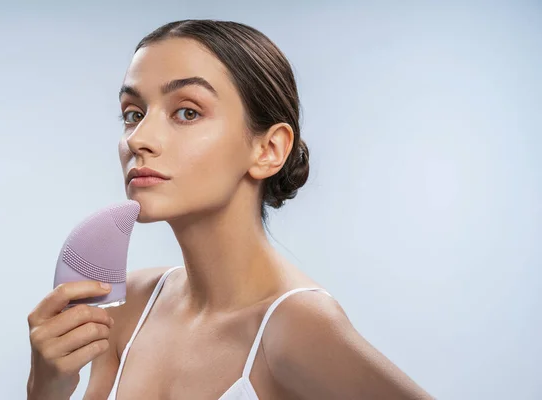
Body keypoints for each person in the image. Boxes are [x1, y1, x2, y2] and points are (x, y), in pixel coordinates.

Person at [27, 19, 433, 400]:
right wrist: (45, 388)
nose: (139, 139)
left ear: (268, 149)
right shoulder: (127, 306)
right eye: (133, 114)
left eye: (187, 112)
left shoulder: (296, 326)